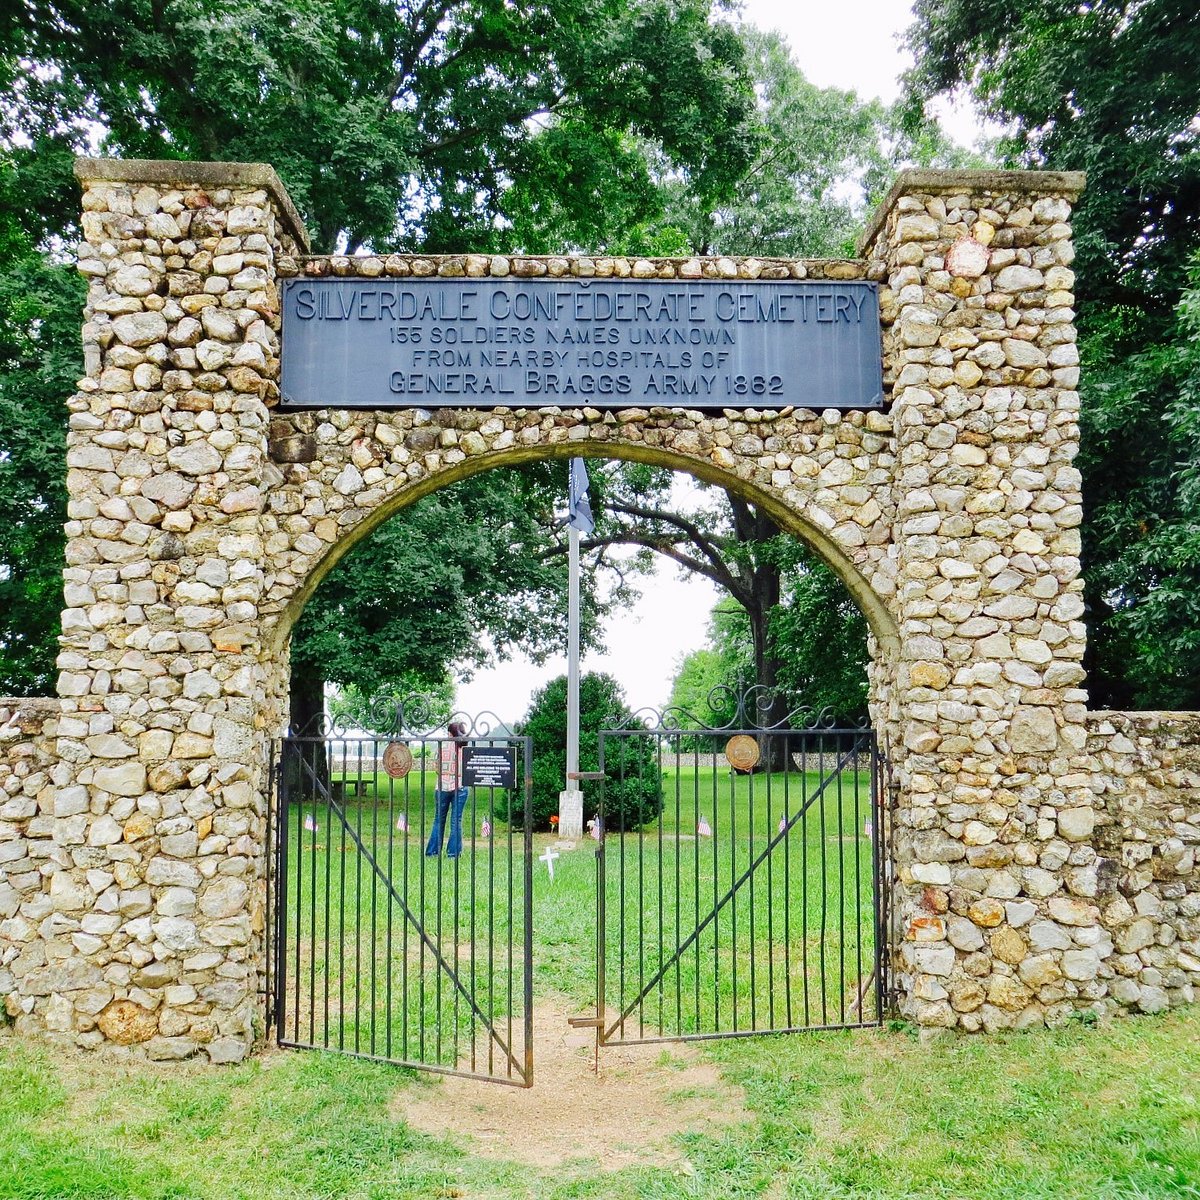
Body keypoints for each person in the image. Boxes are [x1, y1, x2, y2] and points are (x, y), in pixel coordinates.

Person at [426, 720, 469, 857]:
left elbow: (436, 768)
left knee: (439, 819)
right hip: (460, 785)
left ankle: (432, 851)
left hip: (442, 786)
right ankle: (453, 853)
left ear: (450, 733)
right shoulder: (465, 747)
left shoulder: (441, 746)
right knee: (456, 820)